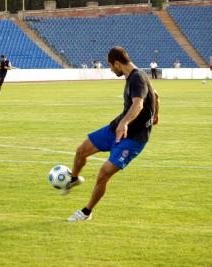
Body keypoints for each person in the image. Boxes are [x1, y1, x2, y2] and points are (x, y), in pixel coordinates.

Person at [65, 46, 160, 222]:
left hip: (133, 138)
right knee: (81, 150)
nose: (110, 69)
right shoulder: (135, 76)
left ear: (117, 63)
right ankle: (74, 179)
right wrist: (156, 115)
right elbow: (155, 95)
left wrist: (125, 123)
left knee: (104, 173)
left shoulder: (137, 78)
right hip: (116, 128)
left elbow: (138, 104)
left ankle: (86, 213)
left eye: (110, 66)